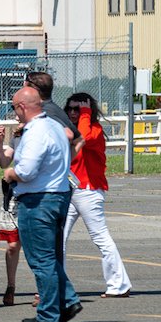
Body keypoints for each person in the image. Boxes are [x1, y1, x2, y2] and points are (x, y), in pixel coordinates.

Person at [3, 86, 82, 322]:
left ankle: (49, 313)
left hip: (39, 200)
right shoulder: (56, 127)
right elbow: (73, 145)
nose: (15, 114)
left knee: (42, 259)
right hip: (58, 195)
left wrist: (10, 173)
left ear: (23, 107)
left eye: (15, 108)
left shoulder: (36, 131)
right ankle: (65, 301)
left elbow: (27, 171)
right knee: (52, 256)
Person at [63, 92, 132, 298]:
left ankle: (119, 285)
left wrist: (86, 114)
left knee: (100, 237)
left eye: (79, 109)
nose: (74, 113)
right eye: (71, 109)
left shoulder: (94, 129)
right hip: (69, 190)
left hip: (89, 191)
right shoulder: (66, 130)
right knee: (58, 238)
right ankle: (57, 286)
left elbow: (82, 137)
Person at [0, 123, 22, 306]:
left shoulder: (42, 133)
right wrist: (0, 142)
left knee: (35, 246)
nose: (17, 117)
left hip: (34, 195)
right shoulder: (18, 138)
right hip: (14, 197)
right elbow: (4, 162)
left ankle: (41, 290)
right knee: (12, 245)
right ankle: (10, 286)